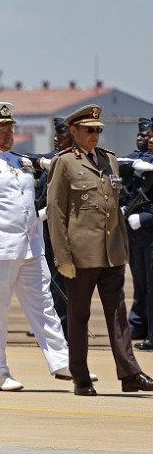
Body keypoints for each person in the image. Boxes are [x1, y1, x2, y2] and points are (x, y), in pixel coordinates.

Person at [0, 102, 71, 391]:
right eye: (2, 127)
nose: (9, 132)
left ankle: (61, 361)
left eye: (11, 127)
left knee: (44, 304)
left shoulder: (20, 163)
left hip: (30, 248)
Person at [47, 104, 153, 396]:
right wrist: (63, 257)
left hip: (111, 253)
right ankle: (81, 377)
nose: (95, 135)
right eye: (89, 130)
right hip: (81, 255)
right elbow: (56, 213)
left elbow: (112, 209)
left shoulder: (109, 160)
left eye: (98, 131)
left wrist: (121, 249)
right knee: (79, 316)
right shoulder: (65, 162)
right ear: (74, 131)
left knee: (119, 315)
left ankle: (130, 373)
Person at [33, 117, 74, 338]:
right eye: (56, 135)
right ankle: (52, 324)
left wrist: (47, 212)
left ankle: (66, 327)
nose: (57, 138)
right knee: (48, 280)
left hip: (66, 230)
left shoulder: (75, 161)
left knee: (65, 282)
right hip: (46, 230)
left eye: (63, 134)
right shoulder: (50, 160)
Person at [122, 117, 153, 344]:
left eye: (150, 136)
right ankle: (142, 327)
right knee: (142, 284)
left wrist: (145, 217)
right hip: (138, 235)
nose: (147, 140)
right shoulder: (140, 161)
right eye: (145, 136)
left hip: (148, 230)